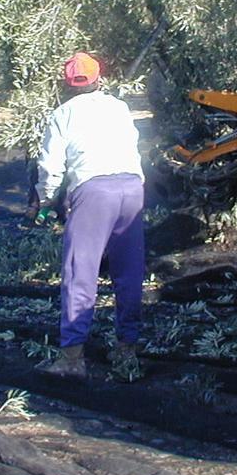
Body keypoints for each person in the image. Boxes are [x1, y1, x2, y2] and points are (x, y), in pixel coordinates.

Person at [34, 52, 145, 378]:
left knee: (79, 273)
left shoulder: (63, 114)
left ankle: (71, 359)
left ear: (67, 84)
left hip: (94, 192)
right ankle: (127, 351)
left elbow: (51, 168)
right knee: (129, 273)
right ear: (99, 78)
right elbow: (134, 147)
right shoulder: (119, 107)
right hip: (132, 189)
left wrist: (45, 201)